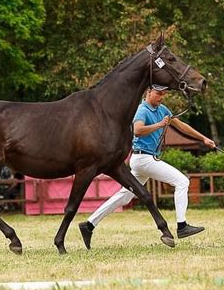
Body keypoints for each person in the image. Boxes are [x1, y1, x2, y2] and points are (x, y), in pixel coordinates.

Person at [78, 84, 216, 249]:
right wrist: (159, 125)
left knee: (125, 196)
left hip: (142, 160)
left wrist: (203, 139)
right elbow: (137, 130)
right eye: (158, 93)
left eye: (163, 94)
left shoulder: (162, 109)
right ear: (149, 92)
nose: (161, 97)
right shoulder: (142, 110)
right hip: (144, 159)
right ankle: (182, 226)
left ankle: (89, 224)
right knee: (182, 182)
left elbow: (181, 126)